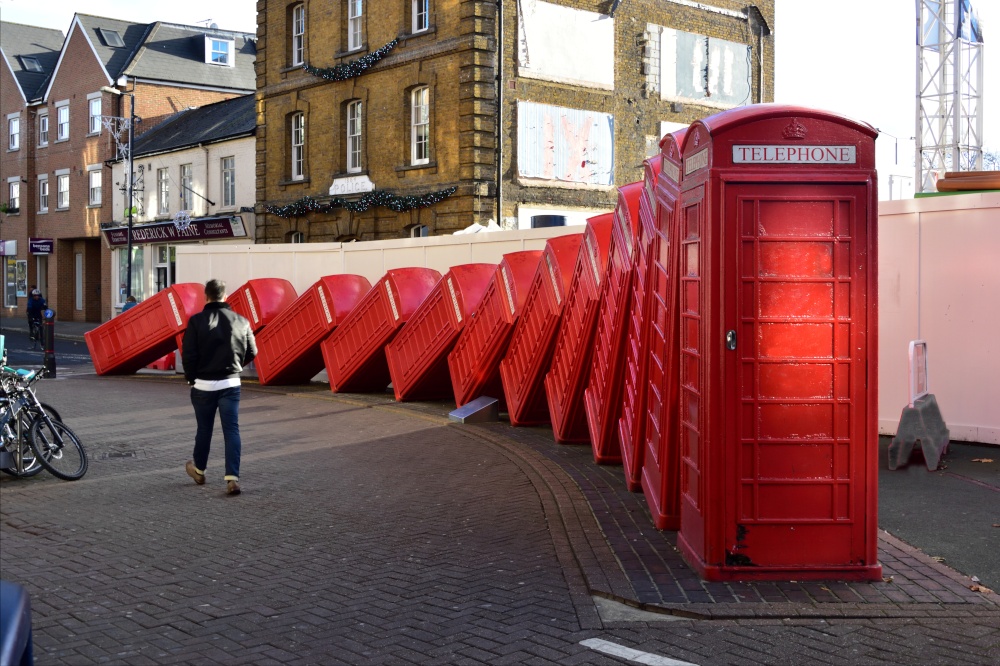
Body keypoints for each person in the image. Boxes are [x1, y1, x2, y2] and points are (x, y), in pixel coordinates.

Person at [181, 279, 256, 495]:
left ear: (206, 297)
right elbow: (252, 350)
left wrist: (191, 378)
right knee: (231, 429)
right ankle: (232, 477)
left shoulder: (196, 321)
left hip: (203, 385)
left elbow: (189, 354)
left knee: (204, 429)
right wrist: (235, 365)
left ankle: (199, 470)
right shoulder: (241, 320)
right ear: (225, 296)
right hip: (230, 383)